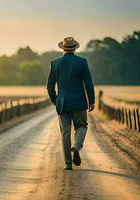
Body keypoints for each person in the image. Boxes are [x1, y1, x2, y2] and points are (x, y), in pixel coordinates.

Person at [47, 37, 95, 170]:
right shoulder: (82, 62)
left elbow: (49, 87)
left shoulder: (54, 63)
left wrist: (55, 100)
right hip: (79, 102)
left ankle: (68, 164)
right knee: (82, 126)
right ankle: (77, 146)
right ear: (74, 48)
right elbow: (88, 84)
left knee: (65, 133)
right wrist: (91, 101)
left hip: (62, 103)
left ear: (63, 48)